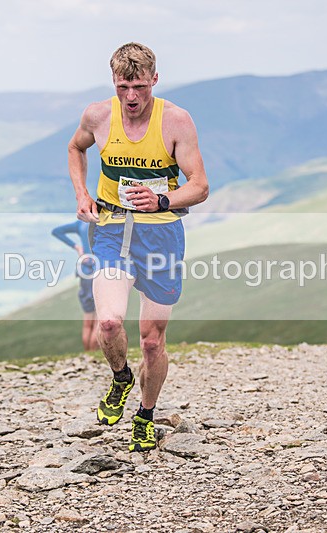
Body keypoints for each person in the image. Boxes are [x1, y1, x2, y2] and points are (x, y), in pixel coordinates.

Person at [68, 42, 209, 452]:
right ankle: (121, 377)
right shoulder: (97, 115)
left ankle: (145, 415)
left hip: (161, 236)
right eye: (123, 87)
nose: (131, 97)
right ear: (114, 82)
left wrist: (162, 199)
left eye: (140, 87)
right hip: (112, 230)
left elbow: (200, 186)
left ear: (154, 80)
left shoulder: (176, 121)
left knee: (151, 341)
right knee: (109, 322)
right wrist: (82, 194)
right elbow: (76, 148)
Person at [51, 220, 100, 351]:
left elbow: (56, 231)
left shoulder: (81, 223)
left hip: (84, 271)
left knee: (87, 320)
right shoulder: (101, 221)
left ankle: (87, 354)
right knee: (98, 320)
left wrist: (77, 247)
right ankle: (93, 355)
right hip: (99, 269)